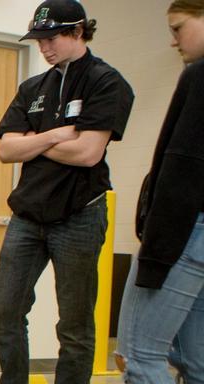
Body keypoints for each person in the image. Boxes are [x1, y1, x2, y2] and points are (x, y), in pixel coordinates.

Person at [0, 0, 134, 382]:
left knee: (74, 324)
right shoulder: (33, 87)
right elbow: (6, 150)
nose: (43, 48)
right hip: (27, 216)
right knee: (6, 314)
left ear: (77, 31)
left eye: (51, 38)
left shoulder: (106, 82)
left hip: (79, 214)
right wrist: (55, 135)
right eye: (38, 41)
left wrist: (32, 141)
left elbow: (88, 153)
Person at [116, 1, 204, 382]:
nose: (173, 41)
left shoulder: (199, 76)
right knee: (197, 362)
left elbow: (183, 169)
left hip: (183, 234)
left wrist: (155, 251)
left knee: (140, 355)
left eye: (178, 28)